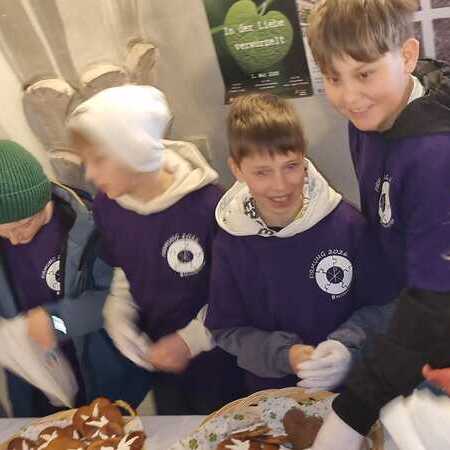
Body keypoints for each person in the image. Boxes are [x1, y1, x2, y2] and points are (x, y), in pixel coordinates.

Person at [305, 0, 450, 448]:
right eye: (334, 78)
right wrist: (357, 335)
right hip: (416, 327)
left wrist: (353, 412)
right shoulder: (368, 120)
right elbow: (387, 233)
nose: (349, 97)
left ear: (407, 55)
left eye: (364, 73)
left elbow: (434, 304)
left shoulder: (435, 156)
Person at [67, 84, 245, 414]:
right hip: (162, 365)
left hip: (223, 361)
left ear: (133, 150)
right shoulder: (108, 207)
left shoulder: (210, 208)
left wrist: (192, 339)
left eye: (99, 160)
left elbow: (239, 292)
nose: (89, 173)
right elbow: (125, 266)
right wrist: (118, 310)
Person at [205, 92, 397, 394]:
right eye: (262, 172)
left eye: (291, 166)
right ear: (237, 169)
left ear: (304, 159)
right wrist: (285, 355)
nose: (281, 185)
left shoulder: (347, 225)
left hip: (350, 391)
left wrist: (346, 345)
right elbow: (226, 330)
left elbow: (384, 305)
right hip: (272, 396)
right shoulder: (231, 240)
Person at [0, 140, 151, 416]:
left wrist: (56, 322)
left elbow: (110, 297)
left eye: (23, 225)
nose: (15, 240)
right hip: (37, 388)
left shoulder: (88, 227)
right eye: (3, 231)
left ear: (43, 200)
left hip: (99, 380)